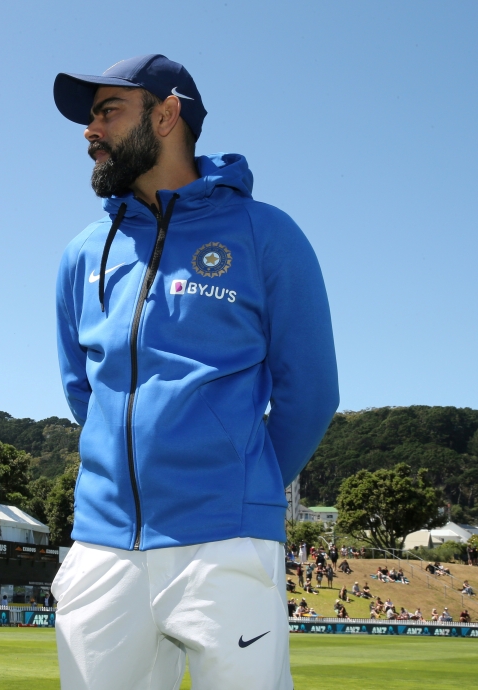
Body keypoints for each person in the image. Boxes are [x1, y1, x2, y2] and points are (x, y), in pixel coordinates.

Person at [49, 54, 338, 690]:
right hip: (101, 545)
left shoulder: (266, 234)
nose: (88, 131)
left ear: (167, 113)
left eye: (106, 111)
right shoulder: (81, 253)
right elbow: (83, 391)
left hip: (224, 540)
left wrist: (236, 480)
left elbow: (311, 393)